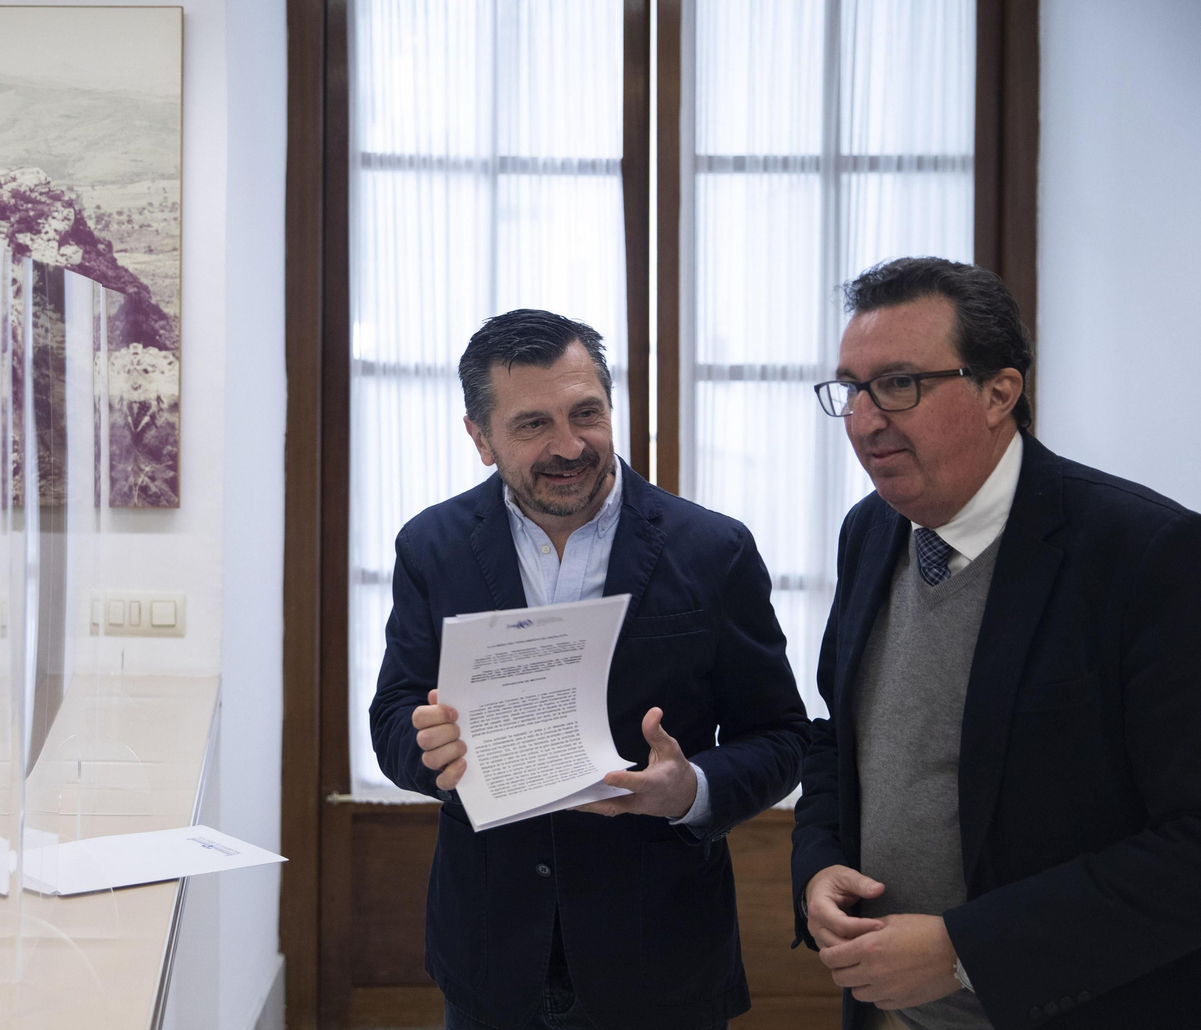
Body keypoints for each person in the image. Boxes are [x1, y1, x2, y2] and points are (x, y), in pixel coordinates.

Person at [370, 308, 810, 1030]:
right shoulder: (431, 547)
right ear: (480, 438)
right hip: (490, 956)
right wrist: (429, 753)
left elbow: (783, 735)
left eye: (587, 413)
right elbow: (392, 716)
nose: (569, 445)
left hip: (662, 956)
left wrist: (691, 790)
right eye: (533, 424)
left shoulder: (713, 549)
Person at [791, 257, 1201, 1030]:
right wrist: (815, 868)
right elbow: (835, 743)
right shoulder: (870, 532)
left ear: (998, 393)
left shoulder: (1145, 554)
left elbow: (1191, 846)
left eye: (900, 384)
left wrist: (964, 951)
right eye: (851, 388)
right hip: (885, 1014)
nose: (867, 417)